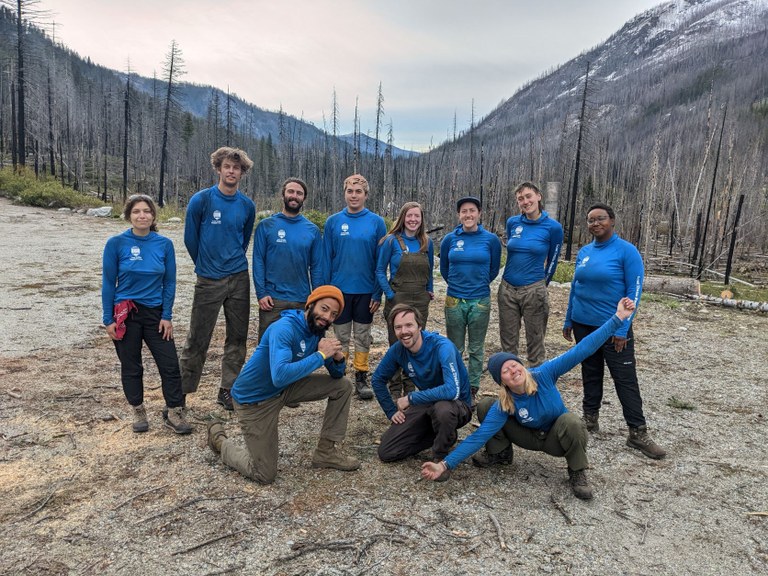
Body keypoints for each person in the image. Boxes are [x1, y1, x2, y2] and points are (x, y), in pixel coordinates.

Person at [421, 298, 638, 499]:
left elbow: (583, 348)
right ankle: (500, 454)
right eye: (505, 371)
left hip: (555, 439)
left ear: (522, 366)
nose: (513, 371)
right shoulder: (505, 402)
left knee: (572, 422)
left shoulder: (544, 374)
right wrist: (445, 465)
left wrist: (618, 317)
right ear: (502, 382)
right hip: (527, 436)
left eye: (514, 365)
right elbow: (479, 436)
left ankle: (577, 470)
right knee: (486, 406)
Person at [206, 286, 360, 484]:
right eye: (324, 309)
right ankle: (220, 441)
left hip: (284, 389)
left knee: (343, 386)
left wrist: (337, 359)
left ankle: (326, 452)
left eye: (333, 314)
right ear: (310, 305)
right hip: (254, 400)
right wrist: (321, 355)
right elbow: (279, 375)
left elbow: (337, 375)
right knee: (264, 474)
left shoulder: (317, 332)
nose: (327, 317)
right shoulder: (284, 328)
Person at [562, 202, 666, 459]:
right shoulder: (585, 252)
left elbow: (634, 291)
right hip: (583, 324)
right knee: (590, 371)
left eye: (600, 218)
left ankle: (637, 432)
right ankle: (590, 419)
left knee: (624, 378)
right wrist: (568, 319)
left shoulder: (626, 252)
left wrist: (623, 328)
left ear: (612, 221)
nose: (595, 223)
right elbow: (576, 287)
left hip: (613, 326)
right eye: (591, 220)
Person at [102, 194, 192, 435]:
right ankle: (138, 410)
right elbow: (109, 283)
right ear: (128, 216)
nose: (142, 215)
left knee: (170, 365)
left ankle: (174, 411)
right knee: (131, 365)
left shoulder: (164, 244)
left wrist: (167, 315)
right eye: (136, 211)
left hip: (155, 313)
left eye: (146, 211)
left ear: (153, 215)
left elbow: (169, 282)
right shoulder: (116, 243)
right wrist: (108, 319)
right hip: (126, 313)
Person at [180, 147, 256, 411]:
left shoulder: (247, 205)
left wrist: (231, 262)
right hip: (209, 279)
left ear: (242, 173)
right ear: (218, 169)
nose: (231, 171)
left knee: (237, 337)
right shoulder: (201, 200)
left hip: (239, 278)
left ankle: (228, 389)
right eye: (227, 167)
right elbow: (190, 239)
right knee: (197, 338)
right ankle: (181, 393)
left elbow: (243, 240)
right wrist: (205, 264)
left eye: (236, 168)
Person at [371, 303, 472, 478]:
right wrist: (391, 410)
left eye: (409, 325)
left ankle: (441, 458)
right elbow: (377, 379)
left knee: (443, 409)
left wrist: (410, 398)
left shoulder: (442, 346)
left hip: (457, 405)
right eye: (398, 327)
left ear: (420, 326)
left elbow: (451, 391)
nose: (404, 331)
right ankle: (445, 434)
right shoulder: (398, 350)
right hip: (428, 402)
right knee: (387, 451)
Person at [324, 174, 387, 400]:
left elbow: (381, 262)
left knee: (362, 335)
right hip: (339, 292)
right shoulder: (333, 222)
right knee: (340, 337)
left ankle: (361, 375)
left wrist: (377, 292)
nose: (354, 195)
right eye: (350, 191)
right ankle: (340, 376)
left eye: (358, 191)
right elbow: (326, 258)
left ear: (366, 195)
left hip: (365, 291)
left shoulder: (377, 223)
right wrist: (325, 294)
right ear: (344, 193)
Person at [440, 196, 501, 405]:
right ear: (459, 215)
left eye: (472, 210)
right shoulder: (449, 239)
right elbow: (444, 269)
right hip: (454, 300)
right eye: (464, 211)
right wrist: (458, 286)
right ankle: (456, 386)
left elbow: (493, 269)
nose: (468, 215)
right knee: (455, 348)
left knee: (476, 348)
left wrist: (478, 284)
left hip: (480, 301)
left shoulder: (491, 240)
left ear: (479, 213)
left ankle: (472, 389)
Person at [498, 182, 563, 366]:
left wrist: (541, 285)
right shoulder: (513, 223)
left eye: (528, 196)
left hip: (534, 289)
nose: (525, 202)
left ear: (538, 196)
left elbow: (553, 261)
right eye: (520, 199)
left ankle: (536, 378)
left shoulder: (553, 227)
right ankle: (510, 378)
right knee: (508, 343)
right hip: (507, 289)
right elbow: (512, 250)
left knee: (535, 342)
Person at [252, 177, 325, 340]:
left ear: (304, 198)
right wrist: (261, 293)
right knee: (268, 345)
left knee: (300, 346)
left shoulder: (312, 230)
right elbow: (258, 261)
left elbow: (317, 267)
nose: (294, 196)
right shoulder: (266, 226)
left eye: (299, 193)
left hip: (302, 300)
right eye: (291, 191)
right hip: (272, 300)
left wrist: (316, 299)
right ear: (283, 195)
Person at [375, 202, 434, 401]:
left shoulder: (426, 242)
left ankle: (411, 387)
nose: (413, 220)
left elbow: (430, 271)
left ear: (421, 219)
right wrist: (390, 295)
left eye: (417, 216)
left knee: (416, 342)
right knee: (396, 342)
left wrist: (430, 290)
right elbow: (380, 271)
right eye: (409, 216)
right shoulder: (391, 241)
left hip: (420, 300)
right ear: (403, 217)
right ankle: (394, 386)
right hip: (398, 298)